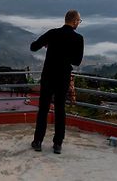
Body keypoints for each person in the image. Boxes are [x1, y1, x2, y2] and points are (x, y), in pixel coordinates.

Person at [30, 10, 84, 154]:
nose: (79, 22)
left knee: (43, 109)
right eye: (79, 20)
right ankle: (57, 144)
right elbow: (77, 61)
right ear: (74, 21)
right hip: (63, 77)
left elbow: (33, 47)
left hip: (48, 76)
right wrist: (66, 54)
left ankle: (38, 141)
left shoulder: (52, 33)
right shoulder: (78, 38)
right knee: (60, 110)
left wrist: (47, 45)